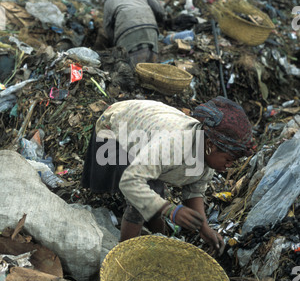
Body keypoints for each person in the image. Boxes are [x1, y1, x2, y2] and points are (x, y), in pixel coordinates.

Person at [82, 97, 254, 254]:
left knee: (154, 193)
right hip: (114, 128)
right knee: (143, 197)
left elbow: (194, 192)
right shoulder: (174, 144)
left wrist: (204, 228)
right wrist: (169, 210)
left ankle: (159, 236)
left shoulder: (206, 152)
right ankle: (123, 256)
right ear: (210, 145)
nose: (229, 165)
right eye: (229, 159)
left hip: (149, 131)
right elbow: (131, 181)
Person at [100, 0, 166, 67]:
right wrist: (163, 22)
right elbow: (159, 10)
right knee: (152, 67)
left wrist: (114, 45)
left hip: (127, 33)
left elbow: (108, 30)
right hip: (151, 28)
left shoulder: (108, 2)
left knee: (132, 70)